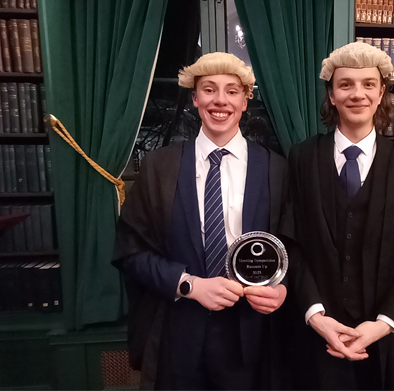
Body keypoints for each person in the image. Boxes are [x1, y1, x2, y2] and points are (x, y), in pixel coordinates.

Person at [113, 52, 293, 390]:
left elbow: (295, 248)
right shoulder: (158, 168)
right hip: (178, 335)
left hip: (253, 338)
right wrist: (190, 285)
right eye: (209, 90)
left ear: (244, 100)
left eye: (231, 91)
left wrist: (283, 288)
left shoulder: (276, 169)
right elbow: (129, 251)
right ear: (195, 99)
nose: (220, 100)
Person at [288, 42, 394, 390]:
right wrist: (316, 316)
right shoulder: (301, 160)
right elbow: (292, 246)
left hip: (383, 338)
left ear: (381, 93)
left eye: (368, 84)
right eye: (345, 84)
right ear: (331, 95)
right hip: (315, 336)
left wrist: (382, 323)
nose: (357, 94)